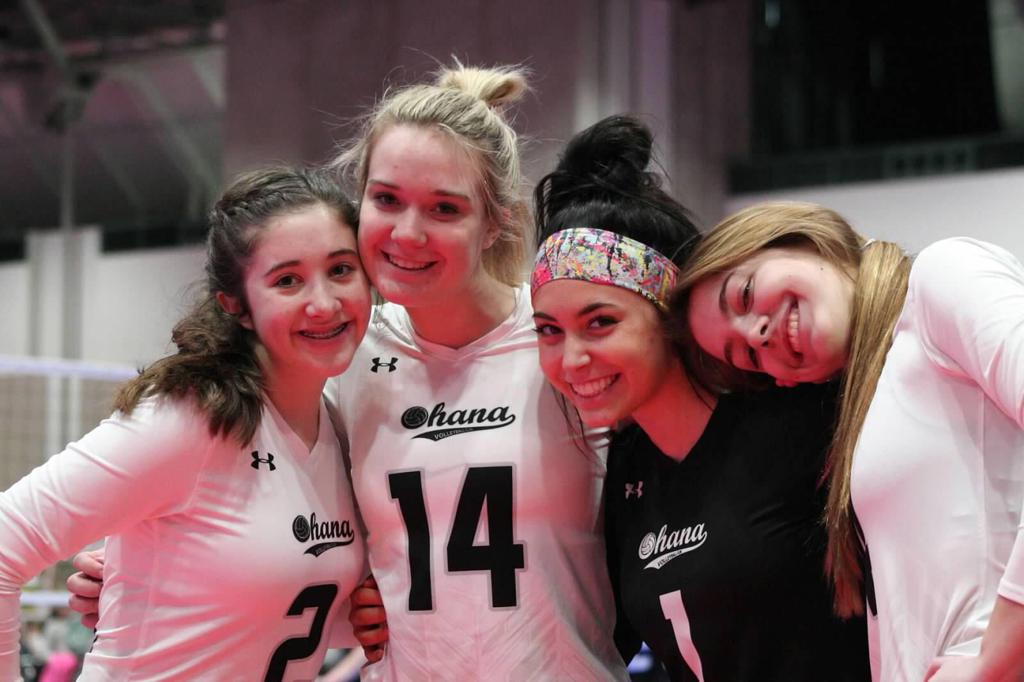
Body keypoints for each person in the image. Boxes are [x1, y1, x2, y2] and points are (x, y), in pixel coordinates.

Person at [69, 63, 629, 680]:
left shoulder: (560, 340)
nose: (408, 233)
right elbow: (275, 514)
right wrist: (141, 570)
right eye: (386, 200)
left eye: (444, 208)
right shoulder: (343, 357)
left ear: (495, 220)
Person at [529, 116, 870, 681]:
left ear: (671, 314)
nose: (571, 359)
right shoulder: (625, 470)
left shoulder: (803, 417)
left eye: (601, 322)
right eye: (548, 331)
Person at [0, 166, 371, 680]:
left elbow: (283, 613)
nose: (324, 303)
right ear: (237, 306)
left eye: (341, 269)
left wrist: (365, 618)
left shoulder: (339, 426)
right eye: (287, 280)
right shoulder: (191, 417)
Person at [678, 201, 1024, 681]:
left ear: (800, 238)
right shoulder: (866, 411)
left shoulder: (941, 276)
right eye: (749, 357)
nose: (757, 334)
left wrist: (995, 659)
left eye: (745, 295)